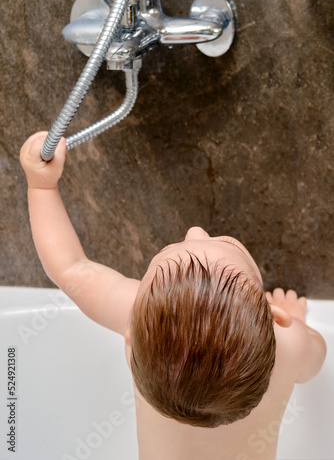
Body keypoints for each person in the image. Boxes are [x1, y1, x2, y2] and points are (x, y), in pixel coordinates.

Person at [20, 132, 326, 460]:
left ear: (131, 336)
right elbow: (315, 361)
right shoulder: (289, 341)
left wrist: (42, 187)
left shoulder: (140, 318)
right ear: (273, 316)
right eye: (224, 242)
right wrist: (296, 323)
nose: (195, 232)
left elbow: (71, 269)